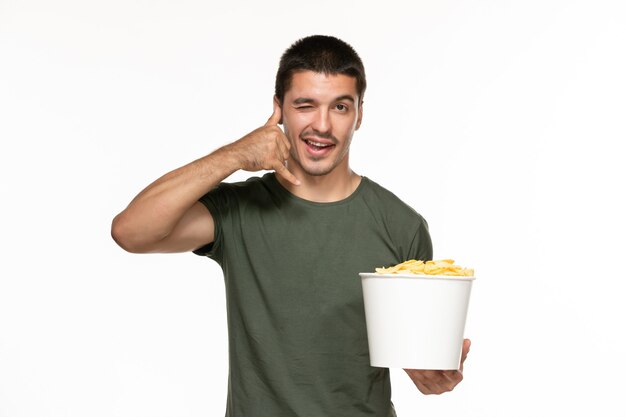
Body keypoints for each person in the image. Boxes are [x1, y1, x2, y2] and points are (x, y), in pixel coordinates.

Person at [111, 34, 470, 416]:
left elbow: (420, 361)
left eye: (341, 107)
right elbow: (130, 232)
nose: (323, 125)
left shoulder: (402, 227)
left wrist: (434, 374)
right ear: (279, 108)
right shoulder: (239, 210)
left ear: (359, 114)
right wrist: (234, 155)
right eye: (305, 105)